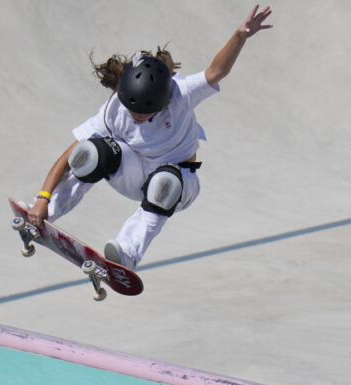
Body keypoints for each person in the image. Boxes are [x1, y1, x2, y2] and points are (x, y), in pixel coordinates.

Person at [25, 5, 273, 269]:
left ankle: (128, 252)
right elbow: (69, 155)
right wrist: (42, 198)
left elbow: (216, 71)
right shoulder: (114, 110)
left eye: (144, 112)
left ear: (162, 101)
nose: (136, 117)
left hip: (177, 183)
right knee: (90, 154)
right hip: (132, 172)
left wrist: (240, 36)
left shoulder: (182, 94)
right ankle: (47, 214)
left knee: (163, 183)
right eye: (132, 110)